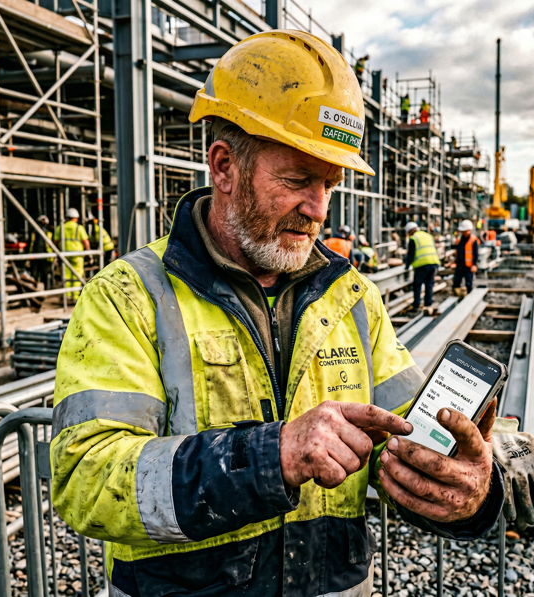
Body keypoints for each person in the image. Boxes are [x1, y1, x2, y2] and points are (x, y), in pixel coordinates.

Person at [50, 31, 506, 597]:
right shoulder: (128, 297)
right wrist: (272, 456)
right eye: (296, 180)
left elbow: (407, 445)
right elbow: (84, 479)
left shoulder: (354, 300)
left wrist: (468, 489)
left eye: (330, 184)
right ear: (224, 167)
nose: (317, 209)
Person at [53, 207, 89, 300]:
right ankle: (76, 296)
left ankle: (67, 295)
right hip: (77, 256)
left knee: (66, 275)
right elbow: (85, 241)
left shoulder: (60, 227)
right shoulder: (79, 228)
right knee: (77, 275)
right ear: (76, 217)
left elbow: (55, 242)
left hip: (65, 255)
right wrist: (89, 253)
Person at [404, 221, 440, 311]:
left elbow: (410, 255)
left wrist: (407, 266)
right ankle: (428, 304)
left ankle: (416, 305)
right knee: (429, 284)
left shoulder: (413, 238)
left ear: (410, 231)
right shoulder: (428, 236)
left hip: (422, 264)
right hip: (434, 262)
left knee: (417, 285)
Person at [453, 219, 479, 297]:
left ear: (469, 230)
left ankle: (469, 298)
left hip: (468, 266)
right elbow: (458, 251)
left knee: (468, 283)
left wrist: (474, 264)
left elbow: (475, 253)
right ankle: (458, 297)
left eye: (465, 231)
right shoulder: (460, 239)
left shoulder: (473, 240)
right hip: (460, 265)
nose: (463, 232)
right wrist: (455, 262)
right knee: (456, 282)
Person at [29, 215, 55, 289]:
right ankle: (46, 288)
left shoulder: (33, 231)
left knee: (36, 274)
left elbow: (30, 244)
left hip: (36, 255)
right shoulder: (49, 231)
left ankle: (36, 288)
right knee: (45, 274)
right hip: (45, 256)